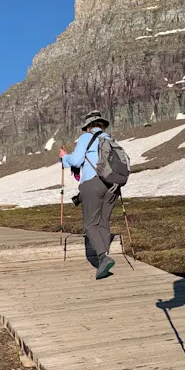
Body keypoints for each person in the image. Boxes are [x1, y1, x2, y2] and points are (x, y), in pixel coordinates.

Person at [60, 110, 118, 280]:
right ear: (102, 125)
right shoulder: (111, 140)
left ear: (89, 126)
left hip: (93, 183)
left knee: (90, 224)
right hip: (113, 185)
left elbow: (77, 160)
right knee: (103, 222)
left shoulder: (86, 138)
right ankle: (104, 258)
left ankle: (103, 258)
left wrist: (64, 158)